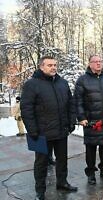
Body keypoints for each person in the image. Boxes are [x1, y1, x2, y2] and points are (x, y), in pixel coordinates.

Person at [20, 55, 77, 200]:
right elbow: (26, 109)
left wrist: (71, 122)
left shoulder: (62, 83)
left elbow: (71, 104)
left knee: (62, 160)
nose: (53, 67)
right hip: (40, 133)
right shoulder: (31, 84)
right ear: (41, 67)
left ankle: (62, 182)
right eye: (49, 65)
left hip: (61, 131)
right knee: (41, 163)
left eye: (55, 65)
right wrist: (32, 130)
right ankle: (40, 191)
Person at [74, 55, 103, 185]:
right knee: (91, 148)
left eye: (100, 61)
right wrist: (81, 117)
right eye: (95, 62)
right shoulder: (82, 80)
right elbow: (78, 101)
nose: (99, 64)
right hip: (91, 121)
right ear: (89, 64)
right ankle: (91, 173)